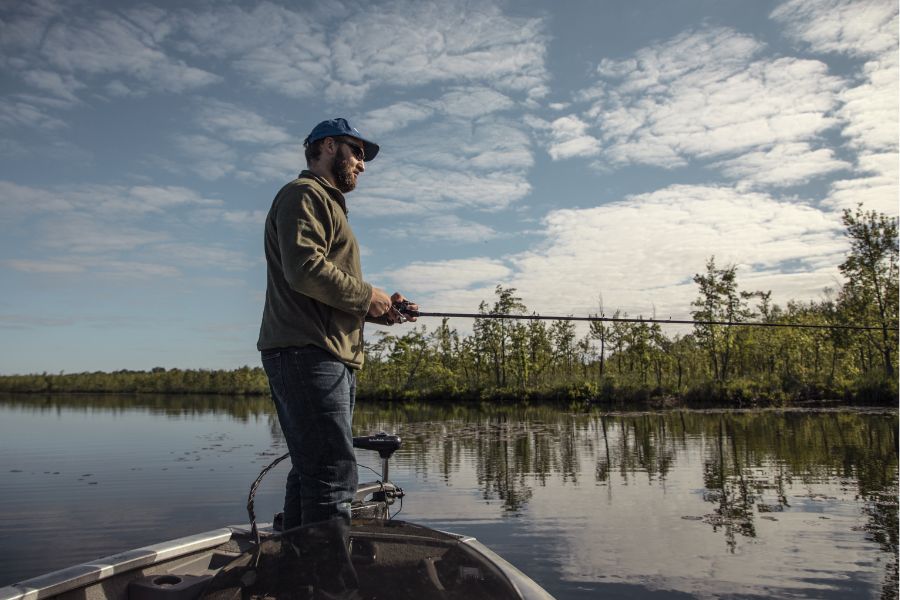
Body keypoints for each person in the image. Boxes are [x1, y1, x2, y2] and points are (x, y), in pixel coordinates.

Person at [257, 117, 417, 532]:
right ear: (329, 146)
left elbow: (324, 287)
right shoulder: (304, 194)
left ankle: (298, 576)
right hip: (307, 352)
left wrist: (378, 307)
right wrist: (369, 296)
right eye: (358, 152)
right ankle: (330, 586)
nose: (363, 164)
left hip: (322, 352)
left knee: (312, 471)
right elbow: (306, 270)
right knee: (333, 474)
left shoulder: (326, 204)